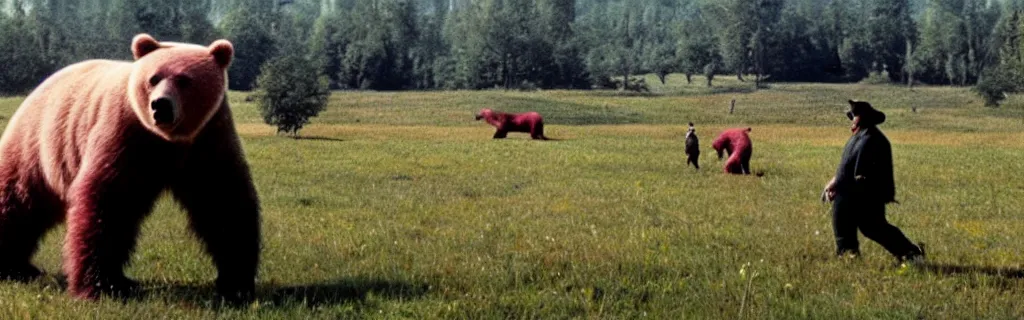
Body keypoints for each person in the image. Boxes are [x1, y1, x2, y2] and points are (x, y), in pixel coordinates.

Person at [821, 100, 924, 263]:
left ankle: (911, 253)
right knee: (847, 226)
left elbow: (863, 174)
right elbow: (846, 166)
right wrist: (835, 183)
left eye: (854, 116)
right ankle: (849, 257)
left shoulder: (872, 139)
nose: (852, 120)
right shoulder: (858, 137)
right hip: (850, 192)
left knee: (873, 227)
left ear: (862, 118)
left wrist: (845, 189)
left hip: (864, 194)